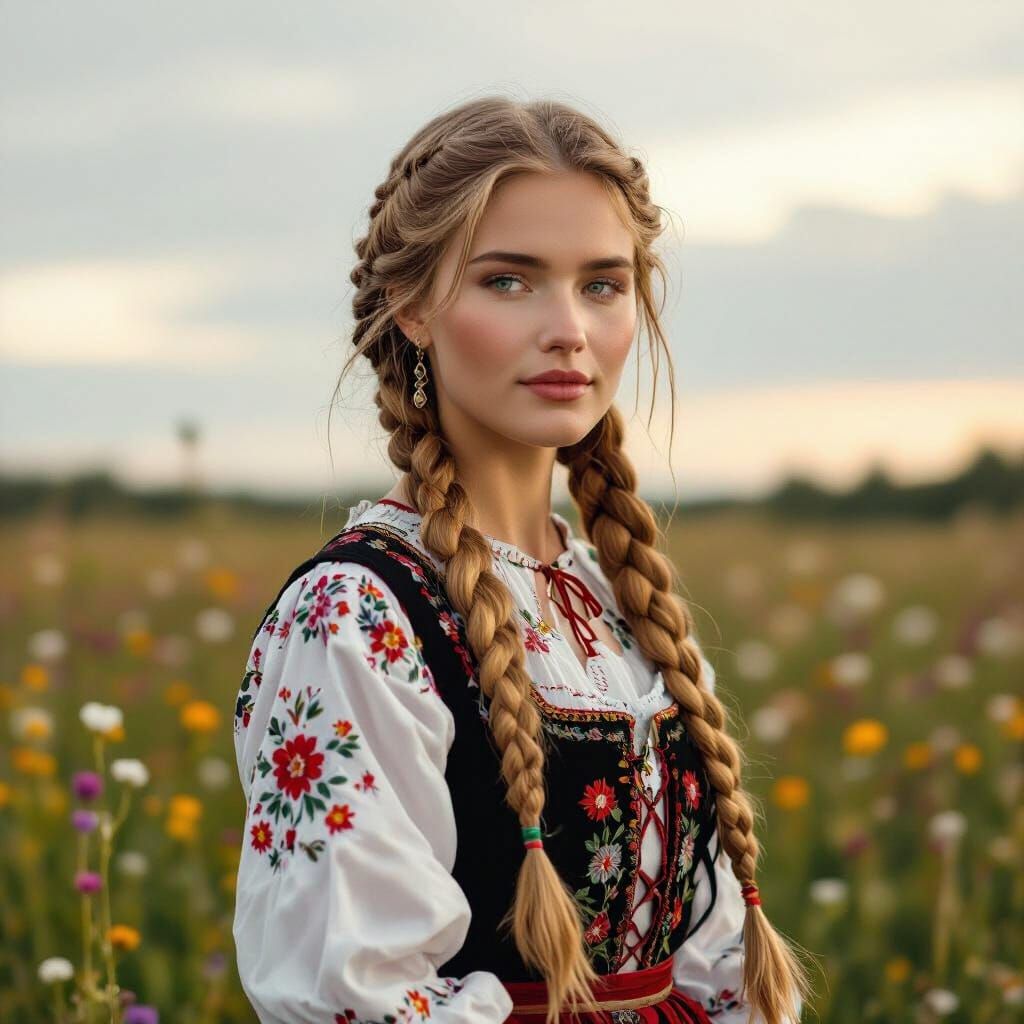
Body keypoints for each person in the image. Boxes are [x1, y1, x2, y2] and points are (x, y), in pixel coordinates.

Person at [231, 95, 812, 1024]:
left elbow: (707, 960)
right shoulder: (356, 617)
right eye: (509, 281)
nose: (568, 329)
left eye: (603, 284)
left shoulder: (625, 602)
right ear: (412, 309)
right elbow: (354, 996)